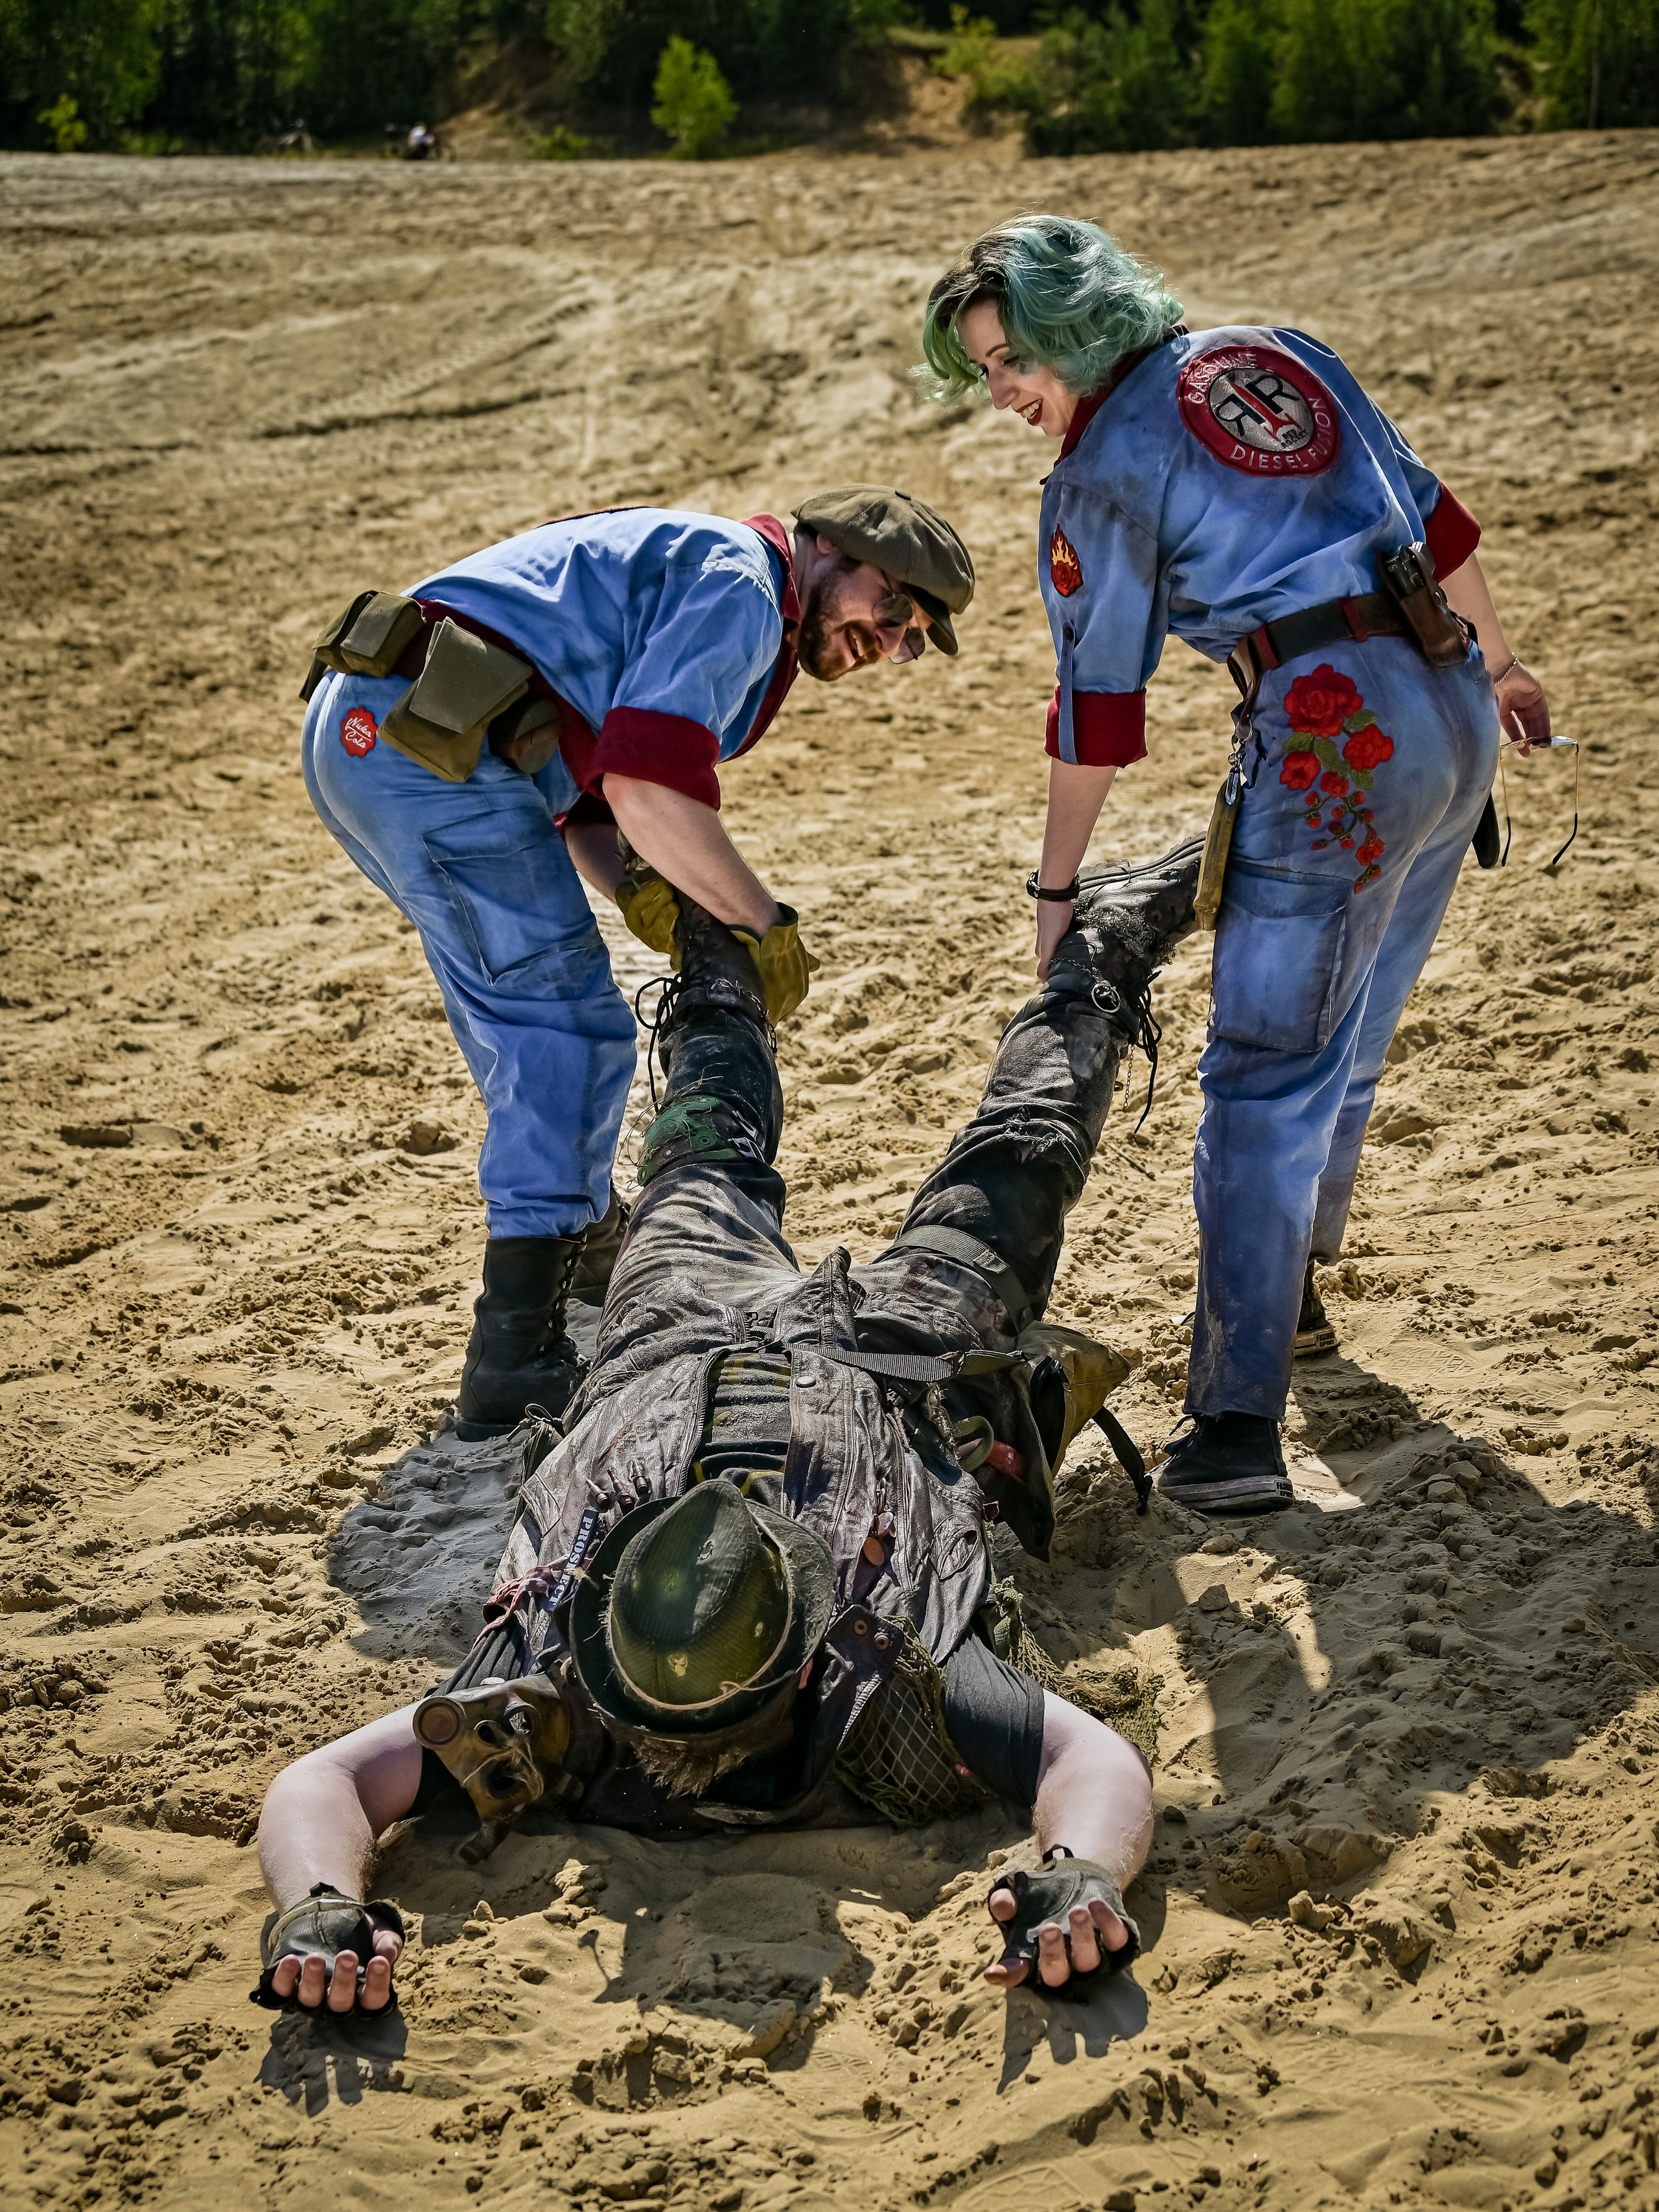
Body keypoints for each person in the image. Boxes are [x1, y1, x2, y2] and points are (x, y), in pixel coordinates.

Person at [250, 842, 1207, 2017]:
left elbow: (329, 1781)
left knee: (705, 1150)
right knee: (1017, 1161)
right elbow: (1090, 1763)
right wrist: (1085, 1870)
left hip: (677, 1345)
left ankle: (716, 938)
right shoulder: (834, 1682)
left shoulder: (572, 1672)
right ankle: (1103, 947)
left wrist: (316, 1900)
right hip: (894, 1365)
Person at [918, 214, 1553, 1515]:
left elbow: (1096, 713)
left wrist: (1055, 894)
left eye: (1008, 360)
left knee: (1260, 1076)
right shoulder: (1275, 351)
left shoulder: (1098, 472)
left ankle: (1233, 1428)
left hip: (1332, 741)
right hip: (1448, 714)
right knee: (1351, 1032)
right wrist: (1501, 665)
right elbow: (1439, 530)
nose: (999, 396)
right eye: (984, 372)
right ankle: (1299, 1294)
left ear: (1070, 326)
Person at [299, 491, 974, 1437]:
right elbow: (649, 787)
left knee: (526, 1012)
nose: (892, 640)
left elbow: (584, 799)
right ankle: (512, 1360)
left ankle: (576, 1239)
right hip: (415, 744)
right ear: (828, 550)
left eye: (911, 637)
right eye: (894, 606)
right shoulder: (743, 585)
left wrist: (646, 896)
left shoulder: (719, 576)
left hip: (393, 729)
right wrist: (760, 923)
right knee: (562, 1025)